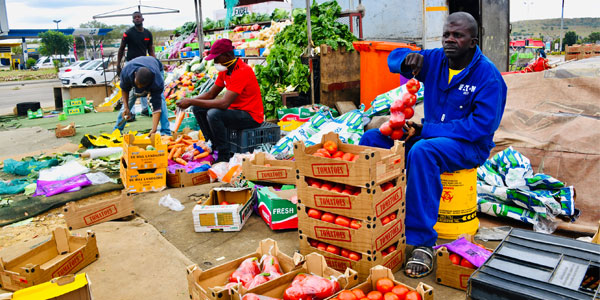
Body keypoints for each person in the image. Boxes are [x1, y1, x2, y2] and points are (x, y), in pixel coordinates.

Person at [359, 12, 507, 278]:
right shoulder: (437, 59)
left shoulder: (489, 78)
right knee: (373, 139)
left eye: (457, 36)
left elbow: (479, 127)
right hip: (430, 136)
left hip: (469, 146)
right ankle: (372, 217)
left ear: (473, 41)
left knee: (423, 151)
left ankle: (421, 242)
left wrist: (425, 129)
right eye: (446, 35)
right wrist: (407, 58)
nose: (450, 41)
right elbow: (394, 61)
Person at [176, 39, 264, 163]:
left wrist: (191, 101)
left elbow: (224, 103)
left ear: (228, 55)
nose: (215, 62)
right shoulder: (226, 70)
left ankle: (224, 156)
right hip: (235, 112)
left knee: (214, 114)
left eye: (217, 58)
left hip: (251, 116)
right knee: (198, 108)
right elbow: (211, 94)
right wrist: (189, 101)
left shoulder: (242, 71)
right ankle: (212, 144)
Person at [113, 56, 171, 136]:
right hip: (137, 68)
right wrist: (126, 107)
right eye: (137, 84)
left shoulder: (157, 82)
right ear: (135, 74)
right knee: (126, 106)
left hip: (156, 67)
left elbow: (157, 108)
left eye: (142, 86)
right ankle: (117, 130)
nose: (139, 88)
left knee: (161, 101)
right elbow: (124, 90)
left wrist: (153, 129)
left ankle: (166, 132)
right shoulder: (126, 72)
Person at [117, 11, 155, 118]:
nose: (137, 19)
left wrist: (155, 62)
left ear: (143, 19)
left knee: (143, 84)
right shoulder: (128, 33)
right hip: (131, 65)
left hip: (143, 64)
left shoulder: (148, 34)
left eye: (139, 17)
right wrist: (118, 65)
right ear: (133, 20)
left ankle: (144, 109)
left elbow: (151, 50)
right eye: (135, 18)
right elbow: (121, 49)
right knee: (131, 87)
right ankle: (130, 112)